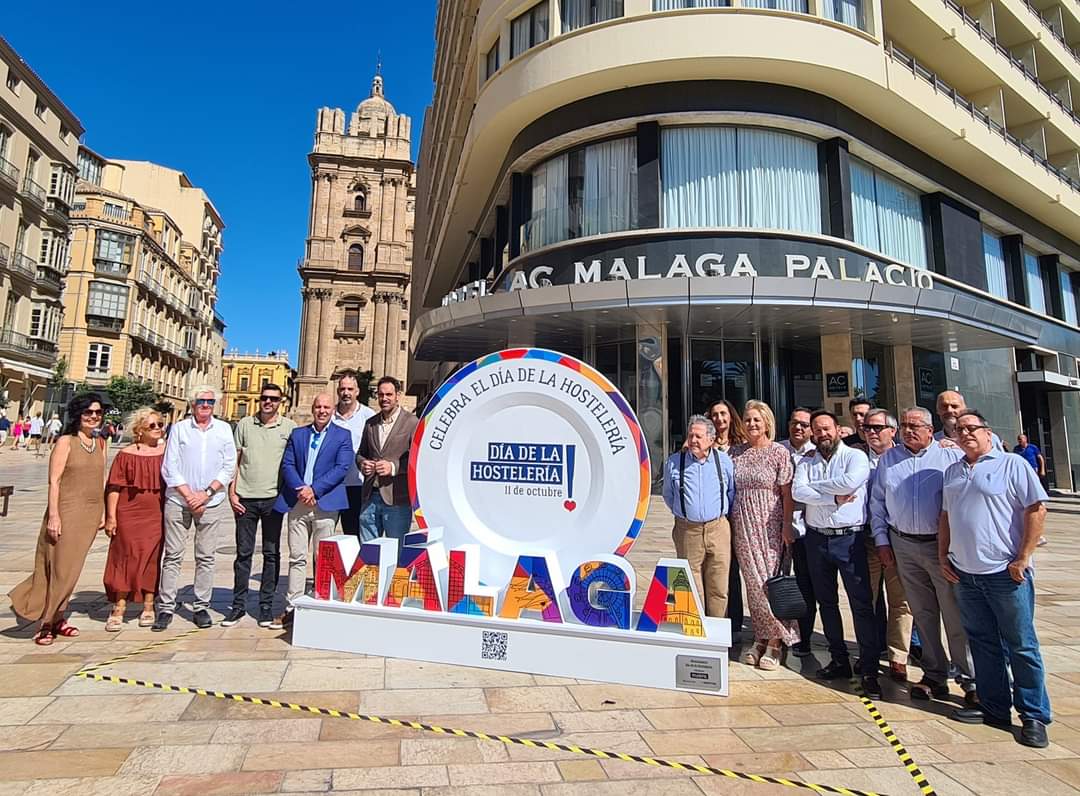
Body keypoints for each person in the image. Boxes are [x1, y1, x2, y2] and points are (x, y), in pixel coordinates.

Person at [941, 410, 1051, 747]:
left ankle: (1033, 715)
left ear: (988, 432)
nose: (965, 434)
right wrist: (942, 555)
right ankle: (994, 708)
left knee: (1021, 644)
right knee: (982, 642)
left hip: (1004, 573)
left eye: (971, 428)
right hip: (966, 573)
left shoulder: (1012, 464)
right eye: (960, 430)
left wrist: (1022, 557)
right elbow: (945, 516)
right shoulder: (953, 470)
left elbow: (1036, 509)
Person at [870, 406, 975, 704]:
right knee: (923, 613)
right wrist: (882, 541)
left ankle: (969, 678)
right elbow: (878, 504)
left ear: (931, 430)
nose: (909, 430)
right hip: (902, 544)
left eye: (915, 425)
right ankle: (934, 674)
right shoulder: (889, 460)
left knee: (953, 614)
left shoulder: (949, 457)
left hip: (940, 546)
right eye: (904, 425)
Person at [792, 410, 882, 698]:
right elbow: (797, 492)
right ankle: (838, 658)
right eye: (817, 431)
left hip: (850, 539)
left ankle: (868, 667)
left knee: (861, 603)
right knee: (826, 603)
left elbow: (849, 483)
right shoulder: (807, 461)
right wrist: (832, 497)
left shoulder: (855, 457)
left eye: (826, 429)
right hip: (817, 540)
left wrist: (816, 491)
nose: (822, 434)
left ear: (837, 429)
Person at [9, 393, 107, 645]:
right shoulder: (66, 442)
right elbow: (54, 481)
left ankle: (59, 617)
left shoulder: (100, 443)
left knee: (73, 569)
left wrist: (105, 511)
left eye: (97, 412)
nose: (94, 417)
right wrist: (54, 515)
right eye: (88, 413)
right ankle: (45, 622)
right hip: (67, 510)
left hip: (91, 512)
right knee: (59, 567)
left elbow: (101, 481)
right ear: (78, 415)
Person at [154, 386, 237, 631]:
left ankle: (201, 605)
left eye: (210, 401)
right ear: (192, 404)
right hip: (179, 500)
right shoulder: (179, 429)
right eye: (201, 400)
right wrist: (190, 495)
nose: (205, 405)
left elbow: (229, 465)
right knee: (172, 555)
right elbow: (170, 466)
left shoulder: (223, 429)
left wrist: (206, 494)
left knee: (206, 556)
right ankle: (166, 607)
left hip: (211, 501)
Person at [273, 393, 353, 630]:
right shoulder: (298, 434)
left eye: (326, 407)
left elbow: (342, 468)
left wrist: (314, 490)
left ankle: (321, 604)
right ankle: (292, 606)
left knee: (323, 559)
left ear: (332, 409)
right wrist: (301, 488)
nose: (322, 411)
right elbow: (287, 464)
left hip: (324, 503)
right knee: (297, 557)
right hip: (297, 502)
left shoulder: (343, 435)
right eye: (318, 406)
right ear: (313, 408)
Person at [729, 400, 797, 670]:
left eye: (756, 420)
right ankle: (760, 636)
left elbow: (787, 493)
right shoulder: (736, 453)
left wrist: (787, 525)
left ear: (767, 422)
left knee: (770, 583)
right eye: (747, 420)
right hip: (742, 525)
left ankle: (776, 642)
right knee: (753, 586)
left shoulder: (778, 452)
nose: (751, 424)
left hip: (769, 523)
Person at [223, 383, 296, 629]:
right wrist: (231, 493)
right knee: (243, 553)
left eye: (273, 399)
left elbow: (293, 463)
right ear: (259, 400)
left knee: (271, 553)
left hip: (273, 499)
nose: (268, 402)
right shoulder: (244, 425)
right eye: (265, 398)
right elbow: (235, 460)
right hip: (245, 498)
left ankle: (266, 605)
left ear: (281, 401)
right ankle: (238, 605)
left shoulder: (289, 428)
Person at [662, 415, 736, 620]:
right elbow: (668, 495)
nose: (693, 440)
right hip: (688, 529)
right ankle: (696, 629)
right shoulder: (675, 462)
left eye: (698, 436)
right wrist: (686, 513)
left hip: (718, 528)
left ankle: (716, 630)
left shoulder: (724, 462)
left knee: (719, 583)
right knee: (690, 583)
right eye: (691, 435)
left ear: (711, 439)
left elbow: (731, 492)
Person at [103, 408, 166, 631]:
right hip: (128, 512)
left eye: (160, 424)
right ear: (139, 430)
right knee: (124, 555)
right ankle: (119, 605)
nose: (158, 428)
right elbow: (114, 487)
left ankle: (149, 604)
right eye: (152, 425)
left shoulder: (167, 452)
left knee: (151, 557)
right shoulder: (126, 454)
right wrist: (111, 517)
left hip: (157, 512)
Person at [862, 409, 913, 683]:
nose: (871, 432)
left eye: (877, 427)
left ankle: (898, 657)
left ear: (892, 431)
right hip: (867, 539)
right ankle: (868, 651)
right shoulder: (857, 456)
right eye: (867, 427)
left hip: (898, 540)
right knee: (866, 600)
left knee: (900, 602)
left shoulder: (904, 458)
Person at [358, 377, 419, 541]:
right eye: (381, 395)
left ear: (398, 395)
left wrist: (394, 467)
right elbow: (360, 453)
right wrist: (363, 464)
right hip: (370, 496)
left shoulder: (412, 423)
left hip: (397, 499)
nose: (384, 398)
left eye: (389, 394)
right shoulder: (370, 423)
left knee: (395, 552)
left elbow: (418, 459)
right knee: (368, 555)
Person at [708, 399, 747, 637]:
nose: (719, 419)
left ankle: (735, 622)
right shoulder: (705, 443)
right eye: (714, 415)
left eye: (723, 414)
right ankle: (721, 622)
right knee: (722, 569)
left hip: (740, 514)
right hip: (717, 517)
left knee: (738, 571)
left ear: (731, 416)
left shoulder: (742, 446)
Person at [780, 407, 817, 657]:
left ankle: (804, 636)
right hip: (779, 527)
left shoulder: (818, 453)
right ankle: (779, 634)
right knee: (776, 583)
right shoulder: (778, 449)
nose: (799, 428)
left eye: (804, 424)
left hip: (806, 528)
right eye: (795, 423)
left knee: (806, 585)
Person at [332, 369, 376, 537]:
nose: (346, 393)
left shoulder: (368, 416)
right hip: (332, 487)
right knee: (325, 536)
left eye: (350, 389)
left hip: (357, 485)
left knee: (354, 535)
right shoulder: (329, 416)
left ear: (357, 391)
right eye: (343, 389)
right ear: (338, 391)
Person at [935, 390, 1004, 450]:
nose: (949, 410)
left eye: (954, 406)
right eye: (944, 406)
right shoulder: (933, 441)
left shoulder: (987, 438)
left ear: (964, 409)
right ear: (937, 410)